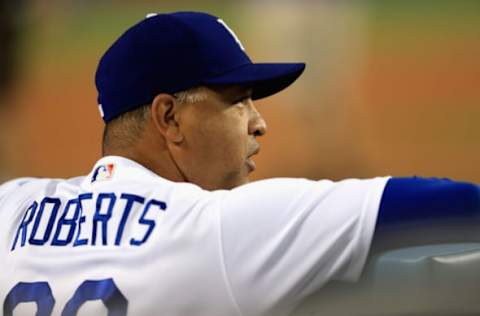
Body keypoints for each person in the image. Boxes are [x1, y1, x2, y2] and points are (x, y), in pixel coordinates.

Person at [0, 11, 478, 316]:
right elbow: (426, 208)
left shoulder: (13, 206)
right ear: (170, 117)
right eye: (239, 101)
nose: (259, 123)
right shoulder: (214, 231)